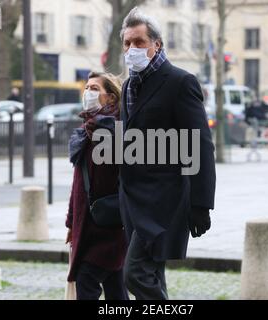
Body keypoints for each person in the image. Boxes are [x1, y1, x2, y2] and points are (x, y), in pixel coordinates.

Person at [119, 8, 216, 300]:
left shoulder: (180, 82)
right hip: (133, 202)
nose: (131, 49)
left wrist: (201, 203)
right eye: (127, 43)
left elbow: (200, 144)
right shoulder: (128, 86)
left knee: (134, 274)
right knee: (151, 275)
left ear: (156, 44)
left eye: (138, 42)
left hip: (165, 201)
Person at [65, 72, 129, 300]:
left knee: (87, 279)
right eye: (87, 88)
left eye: (94, 89)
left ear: (111, 98)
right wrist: (71, 222)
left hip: (110, 224)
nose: (87, 93)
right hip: (90, 223)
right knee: (115, 284)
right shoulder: (86, 131)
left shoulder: (116, 132)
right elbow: (78, 183)